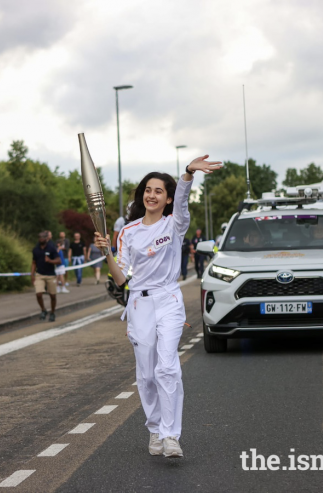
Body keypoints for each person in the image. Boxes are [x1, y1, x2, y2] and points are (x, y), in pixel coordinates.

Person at [95, 155, 222, 459]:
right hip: (139, 302)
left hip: (168, 299)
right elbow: (122, 278)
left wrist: (188, 173)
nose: (152, 195)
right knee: (147, 374)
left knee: (167, 367)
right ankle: (154, 428)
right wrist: (107, 254)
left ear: (167, 199)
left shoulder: (174, 224)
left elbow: (184, 201)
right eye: (148, 190)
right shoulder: (129, 231)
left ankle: (171, 435)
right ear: (142, 194)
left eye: (159, 191)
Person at [32, 231, 61, 322]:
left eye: (42, 237)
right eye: (39, 237)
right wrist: (32, 274)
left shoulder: (51, 248)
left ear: (46, 239)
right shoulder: (35, 250)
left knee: (52, 296)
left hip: (50, 275)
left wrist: (50, 261)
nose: (41, 239)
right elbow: (33, 263)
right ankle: (43, 310)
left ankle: (52, 312)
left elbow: (58, 261)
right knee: (38, 294)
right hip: (40, 274)